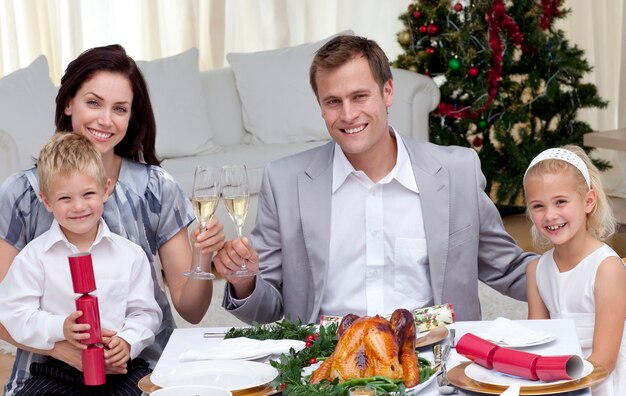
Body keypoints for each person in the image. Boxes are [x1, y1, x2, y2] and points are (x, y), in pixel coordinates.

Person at [213, 35, 537, 324]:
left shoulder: (456, 172)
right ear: (320, 106)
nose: (348, 114)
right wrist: (245, 281)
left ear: (387, 92)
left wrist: (582, 270)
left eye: (359, 96)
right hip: (328, 360)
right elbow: (268, 308)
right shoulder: (284, 181)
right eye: (333, 102)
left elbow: (507, 268)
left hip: (433, 353)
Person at [0, 44, 224, 395]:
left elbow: (190, 311)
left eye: (119, 108)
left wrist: (204, 257)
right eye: (93, 102)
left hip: (140, 365)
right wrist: (65, 350)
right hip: (49, 369)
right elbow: (5, 307)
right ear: (68, 103)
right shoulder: (22, 193)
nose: (105, 120)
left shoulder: (155, 188)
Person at [0, 132, 162, 395]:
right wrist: (59, 327)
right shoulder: (33, 257)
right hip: (59, 370)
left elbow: (146, 313)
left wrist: (127, 341)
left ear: (106, 189)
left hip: (119, 369)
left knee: (149, 391)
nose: (78, 206)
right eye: (65, 198)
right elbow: (14, 314)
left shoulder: (129, 255)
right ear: (47, 201)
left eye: (88, 194)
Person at [524, 145, 625, 395]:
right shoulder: (536, 270)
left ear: (588, 201)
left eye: (560, 202)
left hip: (600, 381)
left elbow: (605, 361)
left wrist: (561, 386)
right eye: (538, 206)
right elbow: (536, 343)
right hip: (554, 380)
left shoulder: (607, 269)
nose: (550, 215)